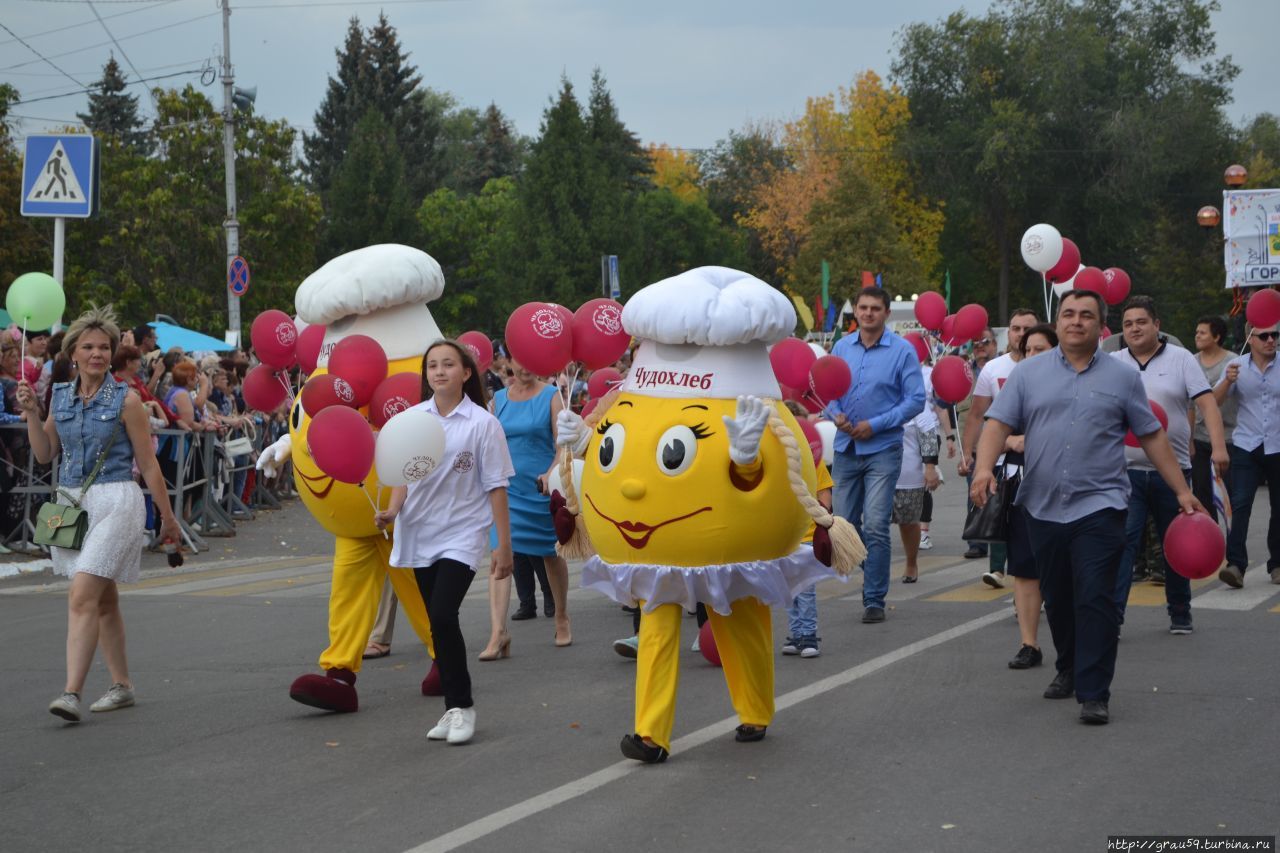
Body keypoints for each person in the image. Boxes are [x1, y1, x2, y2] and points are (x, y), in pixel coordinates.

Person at [972, 290, 1203, 725]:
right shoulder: (1029, 374)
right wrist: (984, 469)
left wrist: (1182, 491)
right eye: (1068, 314)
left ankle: (1095, 691)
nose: (1076, 321)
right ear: (1057, 322)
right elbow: (997, 423)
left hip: (1101, 505)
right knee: (1058, 597)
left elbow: (1150, 433)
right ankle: (1068, 668)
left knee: (1095, 597)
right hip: (1041, 505)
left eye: (1086, 316)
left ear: (1101, 327)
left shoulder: (1122, 378)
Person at [16, 305, 181, 723]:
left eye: (104, 347)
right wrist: (33, 413)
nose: (96, 354)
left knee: (82, 594)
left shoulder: (127, 401)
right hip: (73, 506)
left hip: (118, 502)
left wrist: (168, 518)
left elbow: (148, 465)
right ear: (73, 352)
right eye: (88, 347)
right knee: (104, 601)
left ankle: (71, 692)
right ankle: (122, 685)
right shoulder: (61, 396)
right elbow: (44, 453)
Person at [375, 340, 515, 745]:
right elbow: (403, 474)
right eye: (432, 366)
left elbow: (496, 487)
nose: (439, 372)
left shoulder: (482, 424)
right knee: (438, 624)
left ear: (466, 372)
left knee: (441, 614)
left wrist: (502, 545)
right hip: (419, 531)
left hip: (462, 532)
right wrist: (392, 510)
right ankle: (452, 710)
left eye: (448, 365)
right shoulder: (412, 419)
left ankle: (463, 705)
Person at [1110, 296, 1228, 635]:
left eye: (1141, 322)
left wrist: (1218, 448)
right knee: (1123, 547)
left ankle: (1180, 613)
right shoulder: (1114, 362)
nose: (1134, 328)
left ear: (1157, 325)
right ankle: (1112, 619)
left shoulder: (1181, 360)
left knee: (1176, 543)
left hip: (1173, 472)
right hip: (1124, 473)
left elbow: (1206, 404)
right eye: (1128, 323)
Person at [827, 286, 926, 623]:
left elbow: (915, 399)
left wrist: (877, 424)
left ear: (886, 313)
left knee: (877, 525)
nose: (868, 313)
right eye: (863, 308)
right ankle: (874, 571)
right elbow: (826, 391)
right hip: (846, 447)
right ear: (855, 310)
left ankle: (874, 598)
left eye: (875, 308)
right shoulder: (841, 346)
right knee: (844, 525)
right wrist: (834, 415)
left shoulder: (901, 351)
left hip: (882, 447)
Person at [480, 356, 572, 659]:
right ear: (509, 362)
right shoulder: (499, 399)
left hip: (539, 488)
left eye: (530, 358)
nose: (525, 366)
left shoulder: (550, 396)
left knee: (550, 554)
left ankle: (561, 616)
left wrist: (551, 473)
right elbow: (488, 440)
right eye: (519, 360)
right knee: (499, 555)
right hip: (505, 490)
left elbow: (562, 444)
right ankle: (498, 632)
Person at [959, 309, 1039, 580]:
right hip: (1004, 458)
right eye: (1016, 328)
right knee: (1001, 512)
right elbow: (978, 415)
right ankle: (1000, 571)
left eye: (1027, 328)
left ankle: (1033, 580)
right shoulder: (994, 369)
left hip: (1043, 459)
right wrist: (968, 453)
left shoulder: (1054, 366)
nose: (1021, 334)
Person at [1005, 324, 1056, 670]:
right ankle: (1029, 644)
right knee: (1024, 566)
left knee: (1064, 566)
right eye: (1028, 350)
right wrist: (1012, 442)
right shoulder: (1015, 387)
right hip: (1023, 483)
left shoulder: (1076, 384)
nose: (1033, 356)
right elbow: (996, 431)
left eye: (1041, 349)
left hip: (1067, 487)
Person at [1214, 321, 1280, 587]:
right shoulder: (1236, 366)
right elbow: (1213, 401)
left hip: (1278, 444)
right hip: (1246, 444)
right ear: (1250, 338)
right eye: (1264, 336)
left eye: (1275, 335)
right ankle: (1236, 565)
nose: (1271, 340)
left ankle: (1277, 564)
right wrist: (1227, 382)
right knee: (1240, 504)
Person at [1189, 315, 1236, 519]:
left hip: (1229, 439)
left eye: (1202, 332)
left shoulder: (1233, 362)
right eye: (1197, 332)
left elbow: (1213, 402)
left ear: (1216, 337)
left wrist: (1227, 380)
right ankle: (1211, 548)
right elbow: (1188, 405)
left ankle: (1234, 549)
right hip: (1199, 440)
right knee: (1203, 499)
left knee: (1232, 501)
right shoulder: (1190, 362)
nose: (1197, 336)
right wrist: (1189, 439)